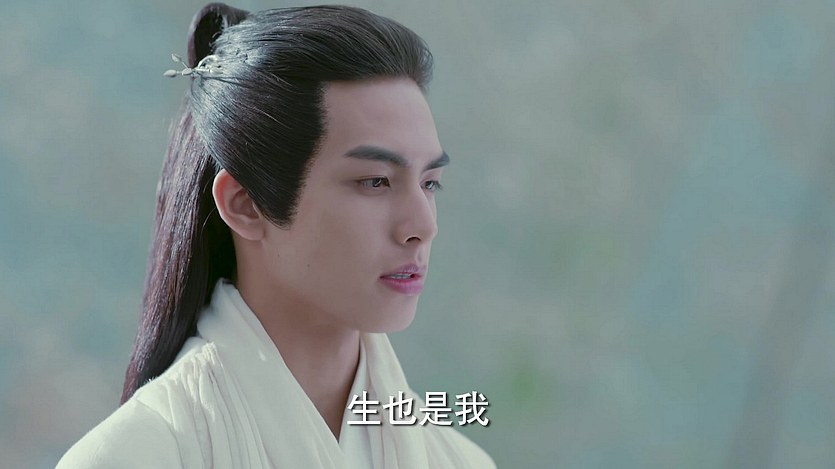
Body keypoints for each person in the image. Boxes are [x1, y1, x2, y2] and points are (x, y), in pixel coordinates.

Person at [56, 3, 494, 468]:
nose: (423, 226)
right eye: (375, 181)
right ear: (244, 204)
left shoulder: (459, 461)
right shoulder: (134, 456)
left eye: (430, 183)